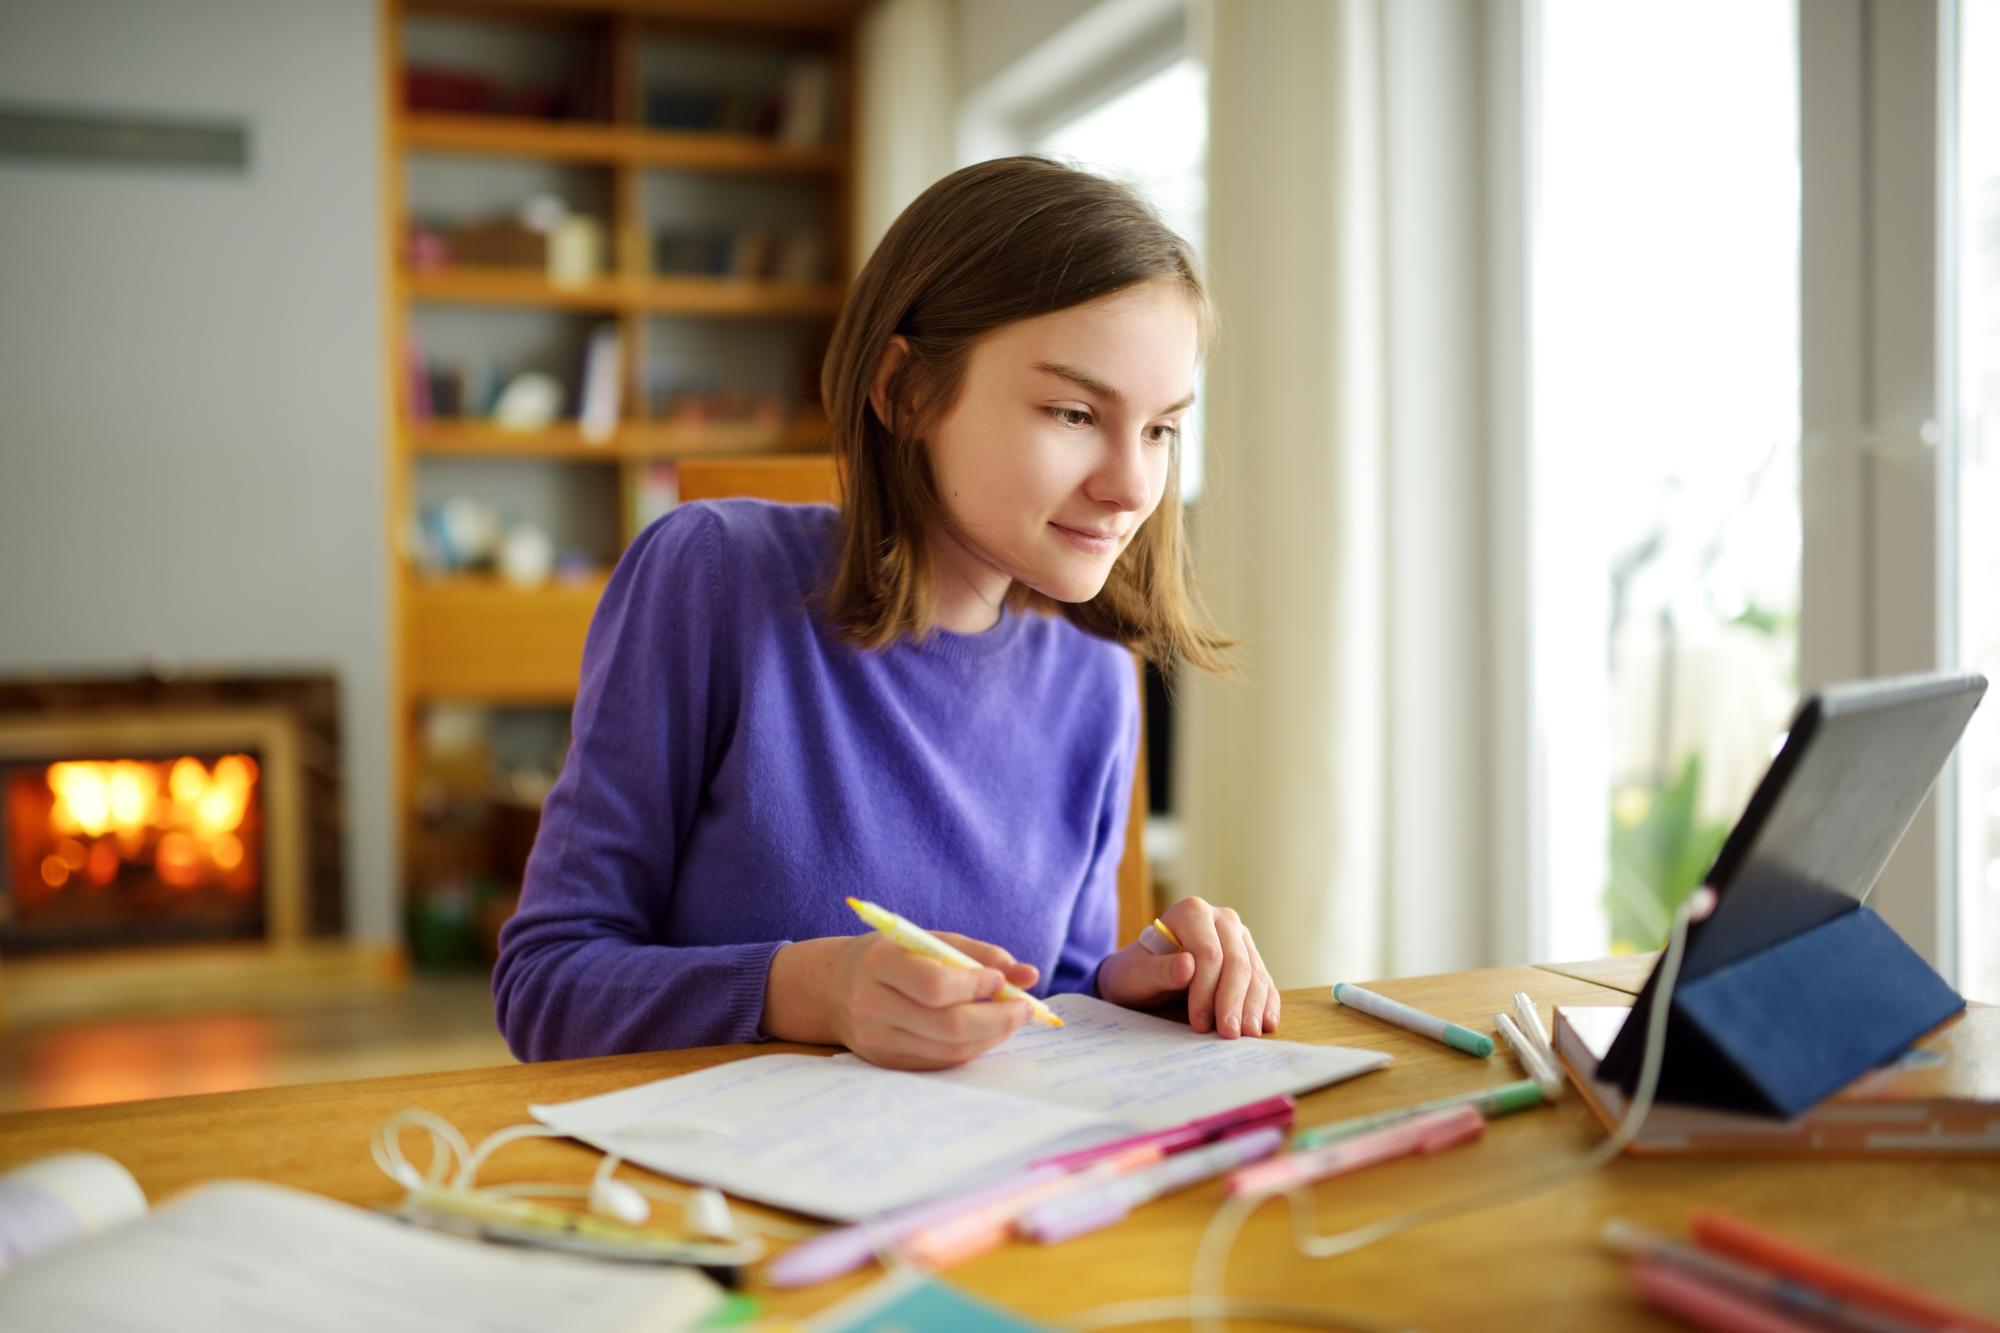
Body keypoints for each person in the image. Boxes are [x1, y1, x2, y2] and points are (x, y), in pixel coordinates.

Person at [494, 156, 1278, 1071]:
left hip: (968, 1192)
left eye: (1160, 429)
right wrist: (813, 991)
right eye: (1073, 412)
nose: (1133, 485)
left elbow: (1044, 996)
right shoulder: (710, 577)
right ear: (906, 391)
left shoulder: (1094, 670)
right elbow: (544, 986)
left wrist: (1127, 994)